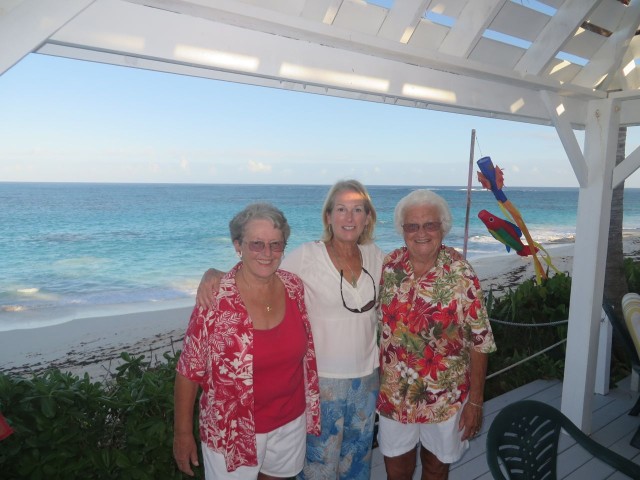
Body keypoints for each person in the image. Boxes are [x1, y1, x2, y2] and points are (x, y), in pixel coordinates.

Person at [197, 180, 384, 480]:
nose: (349, 218)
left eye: (357, 210)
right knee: (316, 470)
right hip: (321, 385)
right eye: (341, 210)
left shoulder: (376, 256)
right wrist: (215, 274)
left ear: (367, 217)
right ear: (328, 217)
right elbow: (263, 269)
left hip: (366, 381)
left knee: (357, 465)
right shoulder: (308, 256)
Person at [173, 202, 320, 480]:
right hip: (232, 430)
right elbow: (188, 371)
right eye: (256, 244)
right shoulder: (216, 297)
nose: (267, 253)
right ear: (237, 246)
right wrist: (182, 434)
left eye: (276, 245)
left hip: (290, 422)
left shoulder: (293, 287)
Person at [376, 189, 496, 480]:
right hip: (395, 396)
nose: (421, 233)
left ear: (443, 228)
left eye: (429, 225)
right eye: (412, 226)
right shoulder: (388, 266)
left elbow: (480, 341)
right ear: (402, 230)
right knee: (396, 471)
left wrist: (476, 402)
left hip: (445, 398)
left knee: (436, 469)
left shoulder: (460, 273)